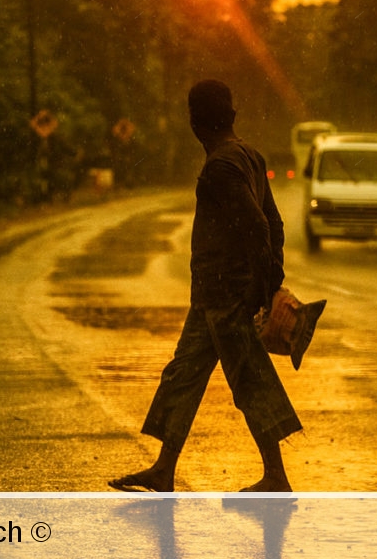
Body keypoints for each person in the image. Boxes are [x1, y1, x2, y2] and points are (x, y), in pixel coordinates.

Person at [109, 79, 301, 493]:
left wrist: (262, 288)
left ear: (195, 122)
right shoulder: (248, 155)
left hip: (227, 295)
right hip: (212, 296)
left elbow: (256, 225)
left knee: (249, 379)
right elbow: (274, 223)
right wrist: (272, 279)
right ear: (229, 115)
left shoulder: (221, 167)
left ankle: (276, 476)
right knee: (183, 375)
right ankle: (163, 470)